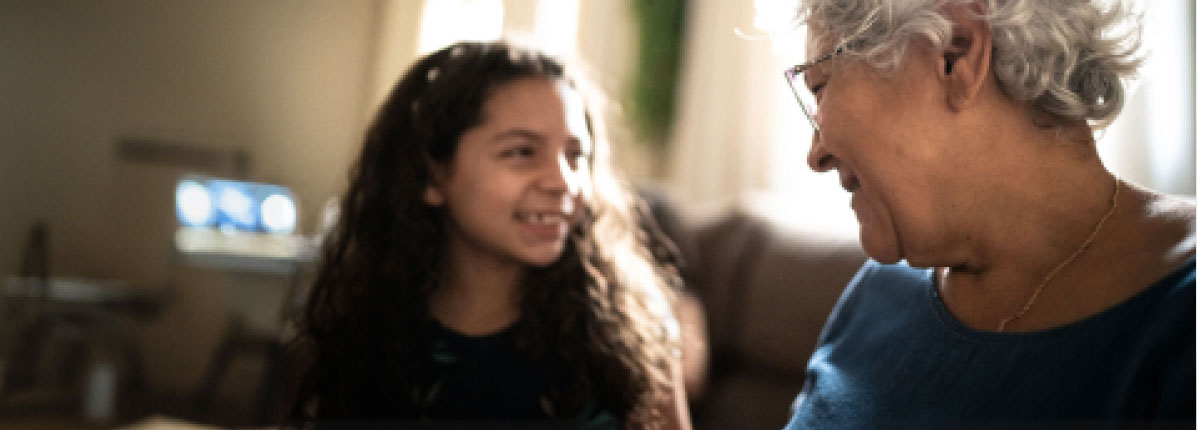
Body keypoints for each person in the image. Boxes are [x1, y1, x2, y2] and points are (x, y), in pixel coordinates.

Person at [772, 0, 1196, 428]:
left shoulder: (1182, 317)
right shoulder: (878, 293)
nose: (816, 154)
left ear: (955, 50)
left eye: (821, 87)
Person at [284, 40, 692, 429]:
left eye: (575, 155)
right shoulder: (363, 332)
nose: (562, 181)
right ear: (431, 176)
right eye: (521, 151)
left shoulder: (634, 330)